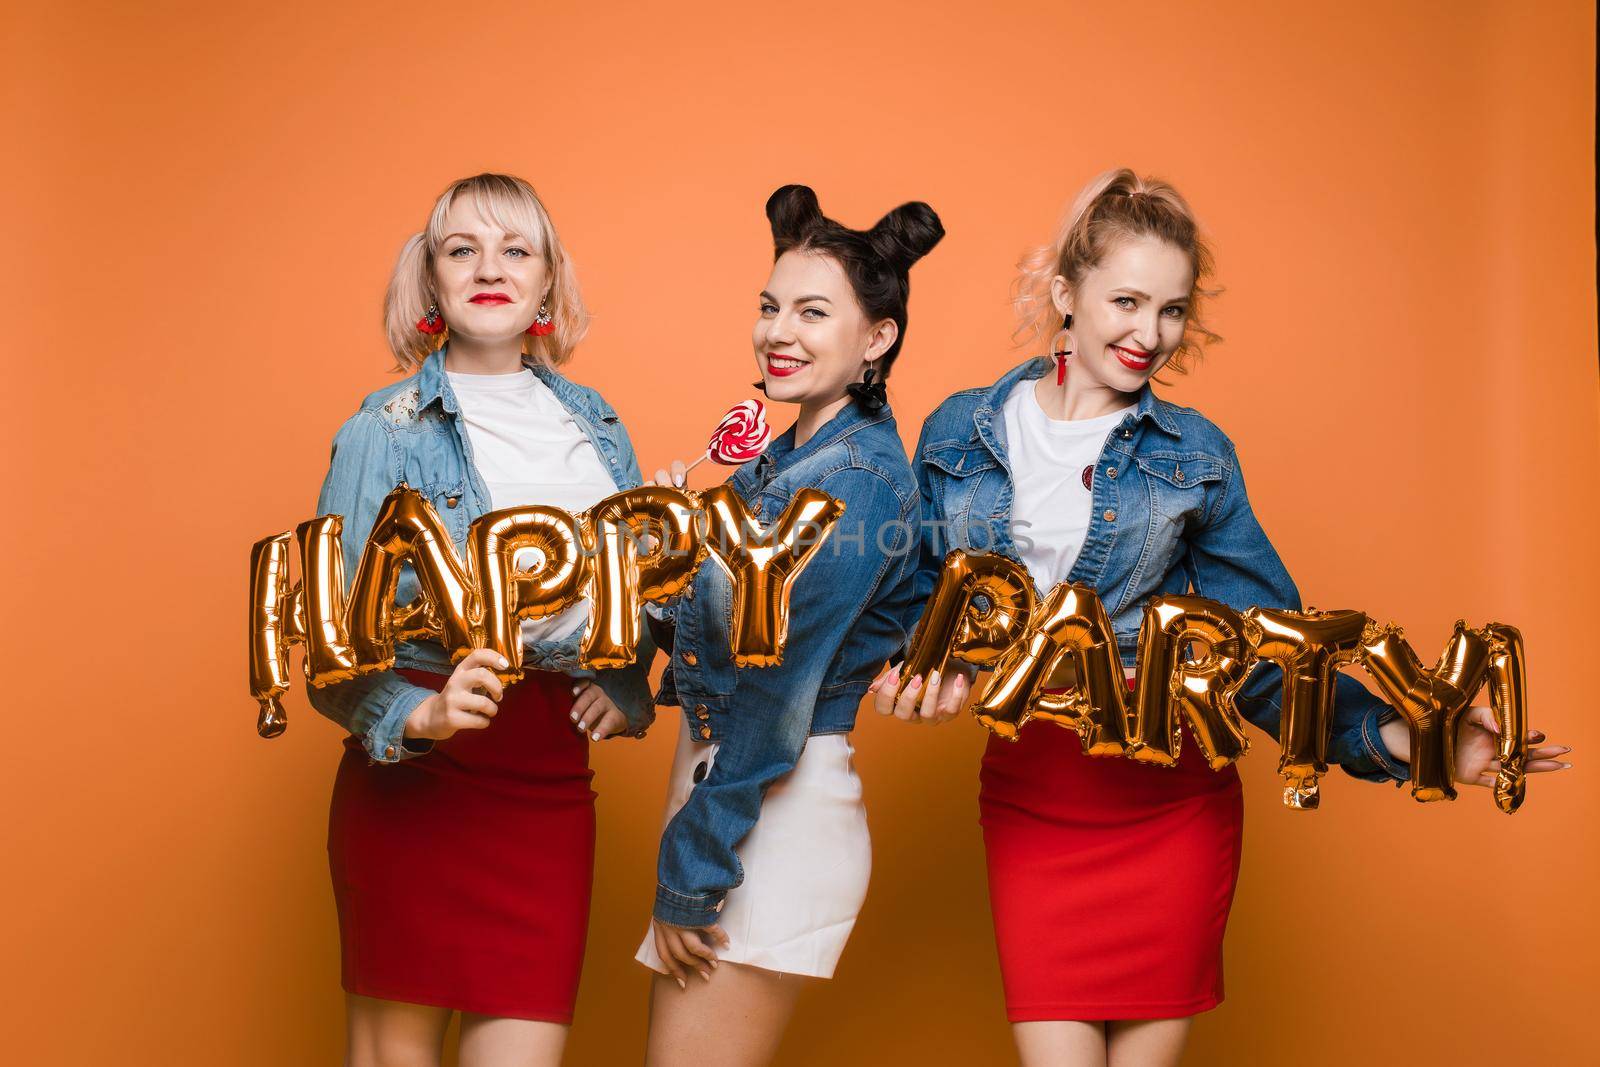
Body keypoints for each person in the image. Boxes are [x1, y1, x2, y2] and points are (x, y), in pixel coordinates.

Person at [873, 167, 1574, 1067]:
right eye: (1126, 300)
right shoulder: (959, 431)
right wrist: (920, 668)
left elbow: (1269, 657)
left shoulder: (1196, 456)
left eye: (1169, 310)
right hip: (1036, 798)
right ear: (1065, 294)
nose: (1148, 333)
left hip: (1171, 804)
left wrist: (1413, 740)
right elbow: (916, 597)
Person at [309, 173, 655, 1067]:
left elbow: (641, 587)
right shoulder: (380, 432)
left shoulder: (598, 426)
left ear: (548, 283)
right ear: (431, 281)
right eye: (463, 250)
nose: (489, 268)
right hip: (419, 793)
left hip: (546, 791)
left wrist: (629, 684)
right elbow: (328, 647)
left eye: (515, 250)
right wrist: (414, 717)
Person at [635, 184, 942, 1065]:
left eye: (813, 312)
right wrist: (667, 539)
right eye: (770, 307)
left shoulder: (857, 483)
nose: (779, 332)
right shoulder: (782, 458)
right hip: (724, 795)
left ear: (876, 338)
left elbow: (775, 694)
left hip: (765, 814)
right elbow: (697, 619)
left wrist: (693, 875)